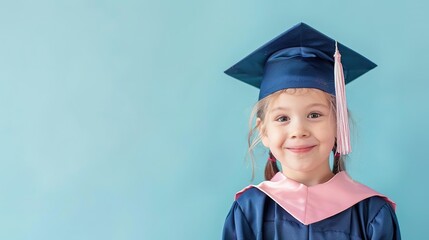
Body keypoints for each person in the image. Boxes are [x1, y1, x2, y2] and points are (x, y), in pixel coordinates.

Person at [222, 22, 401, 239]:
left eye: (314, 115)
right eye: (282, 118)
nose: (299, 130)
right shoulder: (249, 211)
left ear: (338, 124)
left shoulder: (372, 213)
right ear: (264, 132)